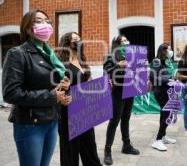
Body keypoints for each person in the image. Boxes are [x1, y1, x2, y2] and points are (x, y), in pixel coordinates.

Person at [2, 10, 71, 166]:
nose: (45, 25)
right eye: (39, 21)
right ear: (27, 28)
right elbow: (11, 93)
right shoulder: (17, 54)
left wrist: (62, 95)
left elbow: (48, 86)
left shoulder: (49, 55)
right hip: (30, 124)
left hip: (52, 120)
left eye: (47, 21)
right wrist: (52, 96)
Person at [57, 32, 102, 166]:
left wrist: (94, 83)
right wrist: (62, 93)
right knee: (70, 149)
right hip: (68, 111)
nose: (78, 41)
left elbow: (85, 83)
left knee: (89, 145)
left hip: (85, 108)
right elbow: (57, 86)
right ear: (67, 42)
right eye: (75, 39)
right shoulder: (61, 63)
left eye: (79, 39)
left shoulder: (82, 60)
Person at [103, 35, 140, 165]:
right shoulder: (110, 56)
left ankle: (126, 145)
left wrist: (142, 66)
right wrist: (118, 65)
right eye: (123, 41)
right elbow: (106, 73)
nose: (126, 42)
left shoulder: (132, 55)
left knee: (126, 118)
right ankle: (107, 150)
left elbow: (137, 71)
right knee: (114, 120)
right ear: (117, 44)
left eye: (126, 40)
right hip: (118, 91)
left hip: (130, 89)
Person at [150, 43, 177, 151]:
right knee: (167, 113)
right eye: (169, 49)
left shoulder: (167, 61)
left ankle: (163, 136)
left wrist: (173, 78)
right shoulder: (156, 61)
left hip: (168, 90)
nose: (171, 51)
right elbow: (153, 77)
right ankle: (158, 140)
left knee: (164, 113)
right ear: (163, 50)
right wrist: (168, 80)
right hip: (160, 91)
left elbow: (168, 74)